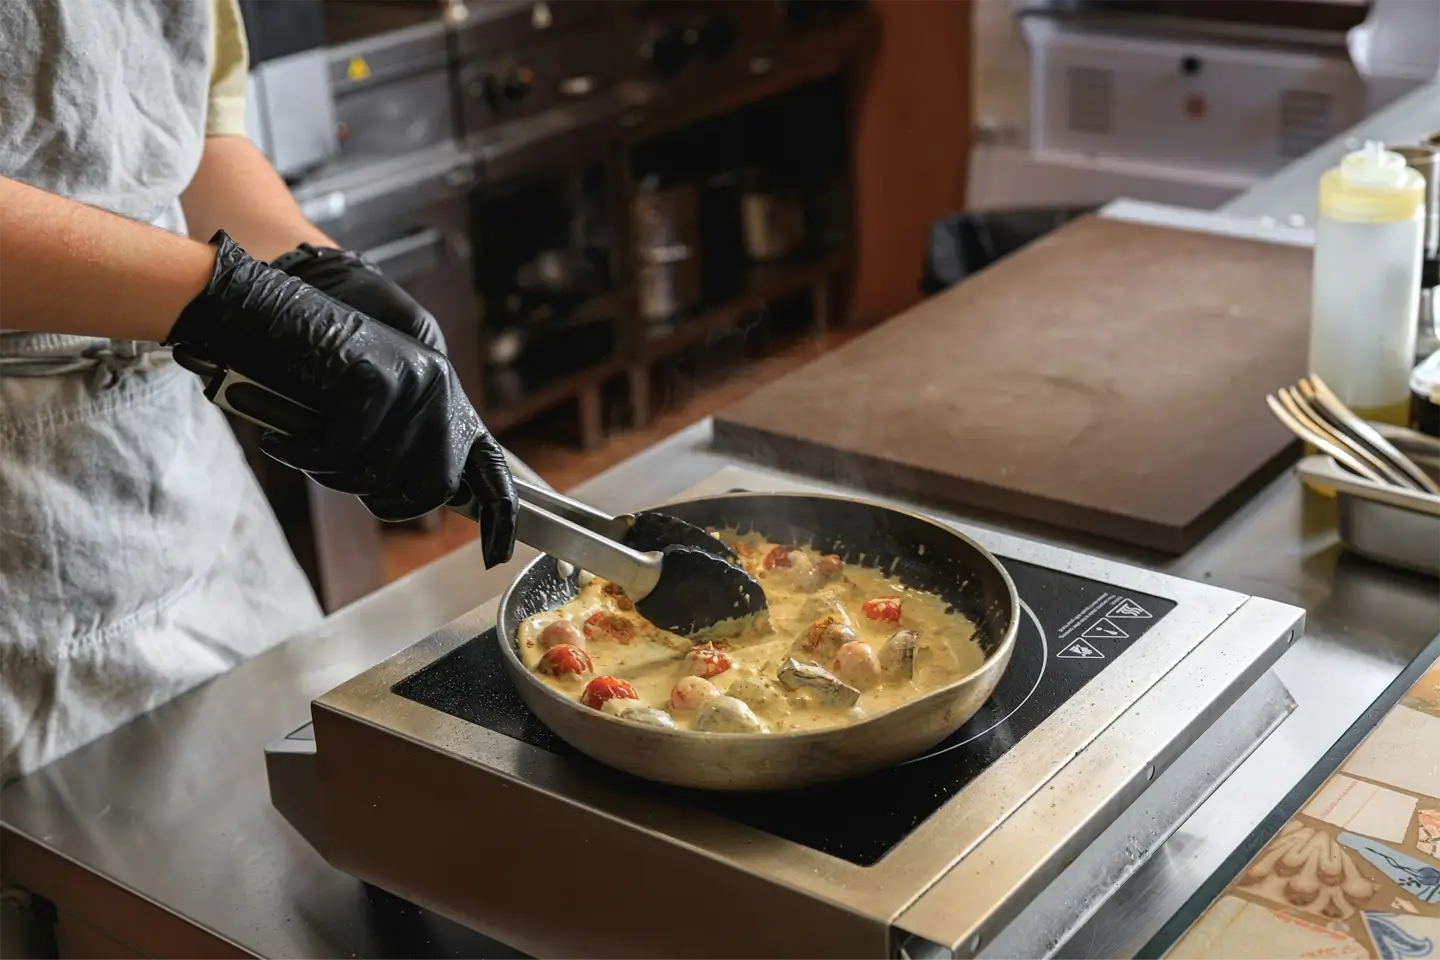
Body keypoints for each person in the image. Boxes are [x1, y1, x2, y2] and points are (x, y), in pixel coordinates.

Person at [0, 1, 520, 950]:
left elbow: (187, 133)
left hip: (173, 475)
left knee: (300, 877)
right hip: (15, 552)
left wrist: (305, 266)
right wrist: (220, 302)